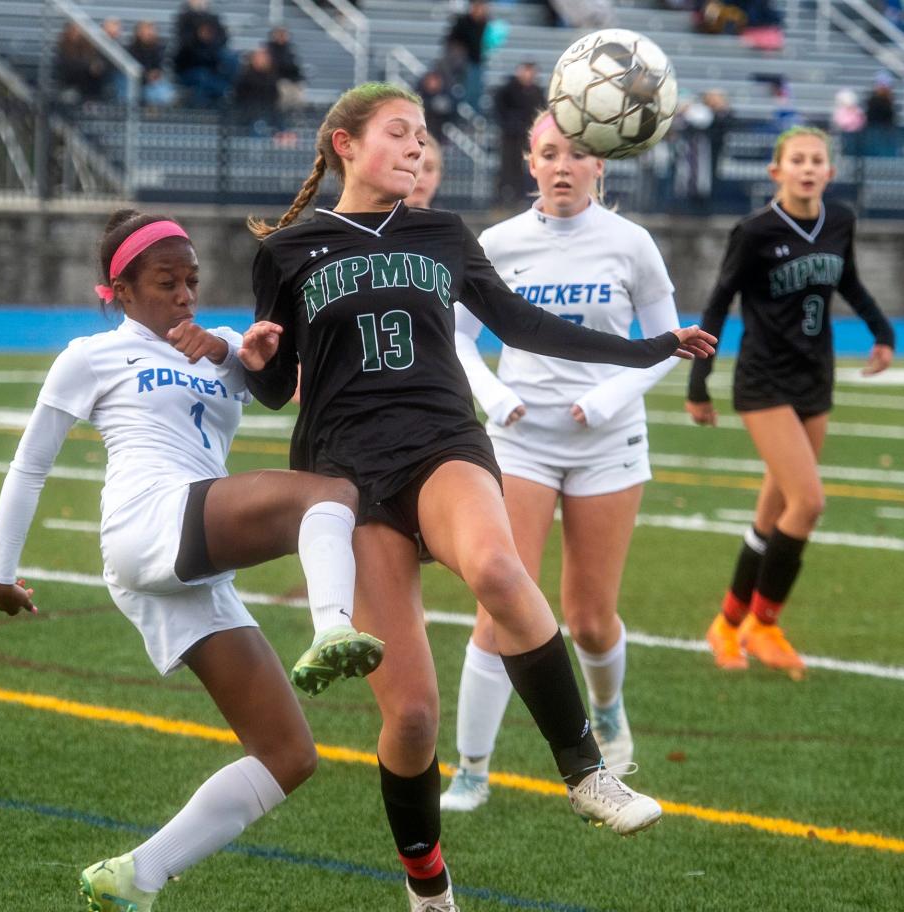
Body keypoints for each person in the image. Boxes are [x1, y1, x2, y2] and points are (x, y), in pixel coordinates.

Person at [244, 83, 716, 911]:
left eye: (423, 137)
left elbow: (520, 323)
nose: (418, 148)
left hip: (439, 441)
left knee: (500, 570)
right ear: (345, 145)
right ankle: (427, 886)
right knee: (414, 715)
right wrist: (255, 360)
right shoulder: (289, 249)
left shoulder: (442, 233)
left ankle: (587, 774)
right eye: (399, 133)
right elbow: (277, 386)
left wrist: (645, 351)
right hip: (344, 472)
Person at [0, 209, 383, 912]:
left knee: (288, 755)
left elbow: (279, 387)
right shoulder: (91, 355)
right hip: (149, 524)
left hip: (190, 560)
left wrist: (244, 353)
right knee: (327, 496)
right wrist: (0, 572)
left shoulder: (214, 345)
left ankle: (135, 876)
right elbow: (28, 465)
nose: (183, 295)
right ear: (121, 290)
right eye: (166, 282)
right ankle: (330, 627)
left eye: (192, 282)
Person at [441, 111, 682, 812]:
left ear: (600, 163)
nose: (563, 166)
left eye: (577, 154)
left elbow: (669, 340)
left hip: (608, 444)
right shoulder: (497, 242)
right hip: (520, 443)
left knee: (588, 617)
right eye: (549, 153)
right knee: (498, 603)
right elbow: (457, 338)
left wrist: (608, 397)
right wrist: (491, 392)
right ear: (529, 161)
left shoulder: (630, 244)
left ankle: (606, 714)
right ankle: (471, 769)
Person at [686, 127, 895, 678]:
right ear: (776, 171)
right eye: (796, 160)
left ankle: (728, 625)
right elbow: (717, 304)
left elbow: (847, 280)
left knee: (771, 514)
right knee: (809, 503)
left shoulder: (841, 220)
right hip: (763, 383)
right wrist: (697, 382)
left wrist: (883, 333)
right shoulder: (754, 231)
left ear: (829, 171)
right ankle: (765, 623)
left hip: (815, 379)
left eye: (817, 160)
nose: (807, 168)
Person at [493, 62, 546, 205]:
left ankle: (520, 196)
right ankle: (501, 198)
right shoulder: (508, 89)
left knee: (524, 167)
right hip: (509, 137)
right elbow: (498, 108)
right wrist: (508, 123)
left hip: (526, 136)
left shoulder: (536, 92)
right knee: (506, 166)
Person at [127, 20, 176, 107]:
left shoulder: (158, 49)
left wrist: (156, 74)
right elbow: (133, 69)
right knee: (151, 94)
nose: (149, 33)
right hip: (139, 84)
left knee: (165, 91)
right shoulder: (132, 49)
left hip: (155, 83)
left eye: (151, 29)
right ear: (139, 32)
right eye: (147, 30)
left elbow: (160, 66)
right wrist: (146, 76)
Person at [405, 134, 443, 209]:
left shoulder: (446, 220)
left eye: (429, 169)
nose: (420, 177)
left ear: (439, 176)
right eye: (412, 167)